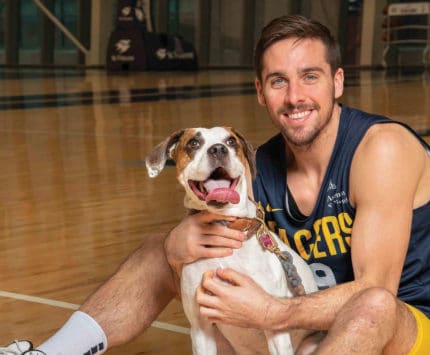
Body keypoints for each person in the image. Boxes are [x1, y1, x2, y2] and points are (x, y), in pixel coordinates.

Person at [2, 14, 429, 355]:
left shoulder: (380, 148)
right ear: (261, 92)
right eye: (279, 81)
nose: (295, 96)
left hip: (397, 328)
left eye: (310, 77)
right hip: (301, 327)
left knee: (371, 305)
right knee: (162, 248)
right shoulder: (256, 165)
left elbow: (378, 290)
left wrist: (273, 312)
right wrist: (178, 244)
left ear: (337, 81)